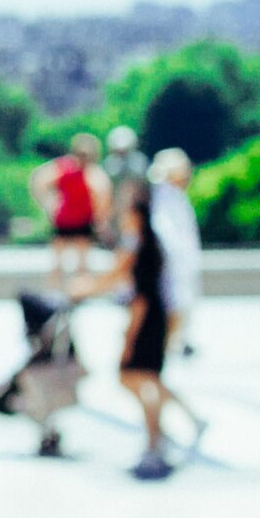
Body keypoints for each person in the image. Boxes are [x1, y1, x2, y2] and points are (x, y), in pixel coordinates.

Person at [76, 183, 205, 480]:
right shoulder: (150, 240)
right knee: (146, 378)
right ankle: (176, 425)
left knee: (136, 377)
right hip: (157, 317)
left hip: (147, 319)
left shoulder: (139, 243)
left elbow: (130, 287)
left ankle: (155, 440)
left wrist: (129, 337)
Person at [30, 133, 108, 293]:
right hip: (71, 220)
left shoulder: (72, 169)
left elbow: (102, 195)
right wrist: (48, 203)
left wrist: (48, 203)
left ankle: (70, 293)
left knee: (75, 264)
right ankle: (61, 294)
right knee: (68, 264)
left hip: (74, 220)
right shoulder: (76, 169)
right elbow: (103, 195)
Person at [146, 148, 202, 356]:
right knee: (174, 309)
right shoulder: (164, 197)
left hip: (181, 266)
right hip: (174, 268)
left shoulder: (174, 196)